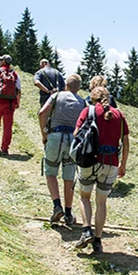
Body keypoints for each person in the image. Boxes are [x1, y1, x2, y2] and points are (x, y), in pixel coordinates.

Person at [74, 86, 129, 254]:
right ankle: (98, 240)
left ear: (93, 98)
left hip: (90, 160)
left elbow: (77, 133)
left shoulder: (88, 111)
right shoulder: (119, 115)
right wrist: (123, 164)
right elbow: (125, 142)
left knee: (84, 196)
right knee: (101, 202)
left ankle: (86, 231)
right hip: (111, 162)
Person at [39, 73, 84, 226]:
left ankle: (57, 206)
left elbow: (42, 112)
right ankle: (69, 213)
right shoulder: (82, 103)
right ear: (78, 88)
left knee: (51, 172)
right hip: (72, 141)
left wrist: (44, 133)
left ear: (66, 85)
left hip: (55, 136)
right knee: (69, 177)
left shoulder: (56, 96)